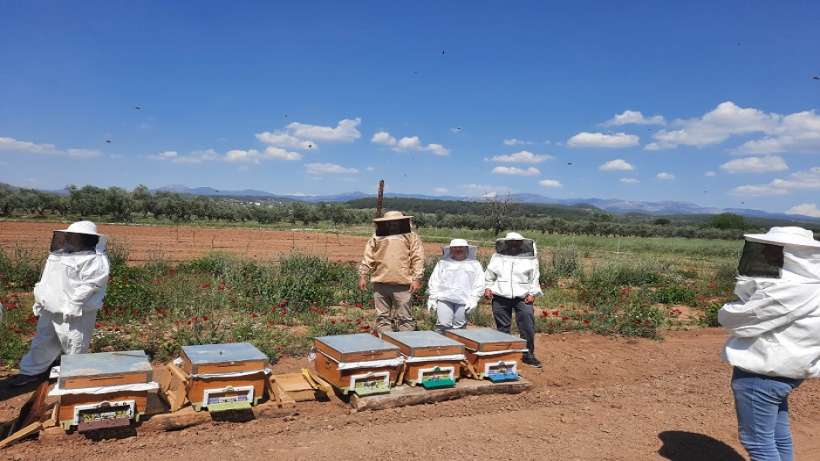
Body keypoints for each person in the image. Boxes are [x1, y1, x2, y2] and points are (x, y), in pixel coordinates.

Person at [719, 227, 820, 461]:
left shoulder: (783, 291)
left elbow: (733, 319)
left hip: (761, 376)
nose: (765, 253)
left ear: (788, 253)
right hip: (788, 373)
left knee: (758, 443)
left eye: (772, 249)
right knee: (777, 434)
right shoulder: (813, 287)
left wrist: (732, 306)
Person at [9, 221, 111, 387]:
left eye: (74, 236)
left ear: (86, 239)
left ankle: (72, 376)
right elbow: (47, 279)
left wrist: (75, 304)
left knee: (74, 344)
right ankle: (31, 372)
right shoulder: (58, 255)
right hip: (50, 307)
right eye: (69, 235)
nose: (69, 238)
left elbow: (91, 284)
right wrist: (40, 297)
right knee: (43, 340)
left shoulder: (95, 259)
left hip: (76, 312)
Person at [358, 211, 425, 333]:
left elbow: (417, 258)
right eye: (390, 222)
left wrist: (416, 278)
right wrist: (363, 275)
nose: (393, 224)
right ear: (386, 223)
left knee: (405, 318)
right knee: (382, 318)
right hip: (381, 283)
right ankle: (386, 346)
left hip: (403, 284)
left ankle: (406, 345)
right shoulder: (377, 236)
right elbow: (368, 256)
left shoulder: (411, 236)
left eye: (396, 222)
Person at [484, 232, 543, 368]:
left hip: (523, 298)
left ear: (522, 243)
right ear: (506, 243)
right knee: (502, 328)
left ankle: (528, 355)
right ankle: (503, 354)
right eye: (511, 242)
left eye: (517, 242)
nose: (514, 244)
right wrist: (487, 287)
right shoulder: (497, 257)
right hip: (500, 297)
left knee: (527, 326)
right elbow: (489, 275)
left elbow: (535, 278)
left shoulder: (530, 259)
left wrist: (533, 293)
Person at [426, 239, 484, 332]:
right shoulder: (443, 263)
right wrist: (432, 297)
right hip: (444, 298)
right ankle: (441, 345)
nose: (458, 250)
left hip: (465, 300)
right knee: (443, 324)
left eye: (461, 247)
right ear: (451, 249)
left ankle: (457, 345)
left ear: (466, 249)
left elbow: (479, 283)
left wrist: (474, 299)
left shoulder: (474, 264)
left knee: (459, 326)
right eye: (455, 248)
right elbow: (435, 281)